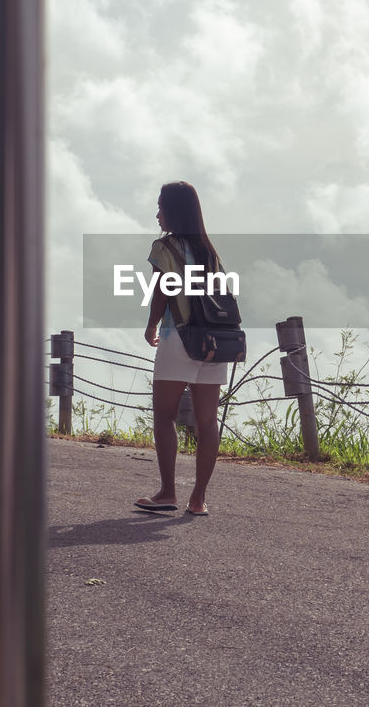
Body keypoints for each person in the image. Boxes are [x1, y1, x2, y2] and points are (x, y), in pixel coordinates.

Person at [134, 181, 227, 517]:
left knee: (165, 415)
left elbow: (162, 289)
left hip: (180, 337)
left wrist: (152, 324)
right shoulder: (209, 251)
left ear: (173, 210)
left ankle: (167, 493)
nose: (157, 213)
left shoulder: (165, 247)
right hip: (215, 341)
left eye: (160, 206)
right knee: (207, 421)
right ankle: (198, 499)